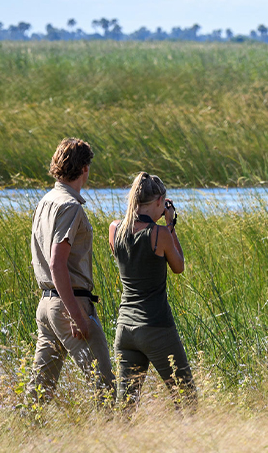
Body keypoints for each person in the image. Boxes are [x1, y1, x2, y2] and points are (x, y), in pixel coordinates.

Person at [26, 138, 114, 402]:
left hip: (47, 305)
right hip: (69, 305)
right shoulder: (71, 207)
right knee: (106, 388)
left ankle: (23, 436)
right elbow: (56, 263)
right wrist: (77, 316)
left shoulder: (46, 201)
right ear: (85, 169)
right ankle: (116, 439)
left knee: (38, 393)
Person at [108, 172, 195, 406]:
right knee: (187, 399)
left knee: (125, 406)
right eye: (163, 203)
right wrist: (170, 223)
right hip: (155, 325)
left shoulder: (115, 229)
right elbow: (179, 267)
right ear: (158, 202)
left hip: (125, 328)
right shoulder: (160, 234)